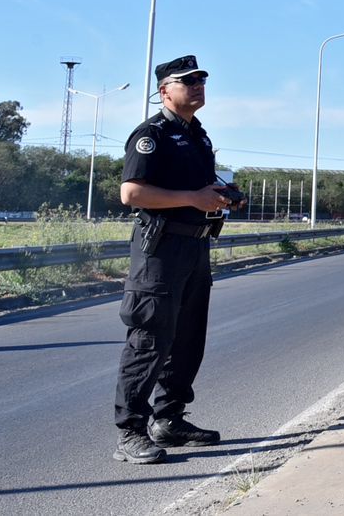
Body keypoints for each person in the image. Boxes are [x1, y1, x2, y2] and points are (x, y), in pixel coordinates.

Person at [112, 55, 245, 464]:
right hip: (160, 251)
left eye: (202, 79)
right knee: (150, 339)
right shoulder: (150, 135)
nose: (198, 85)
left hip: (195, 247)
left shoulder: (198, 136)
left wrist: (224, 195)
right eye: (187, 80)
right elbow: (131, 194)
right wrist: (191, 198)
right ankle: (131, 431)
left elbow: (200, 188)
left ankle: (169, 419)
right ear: (164, 90)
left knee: (188, 340)